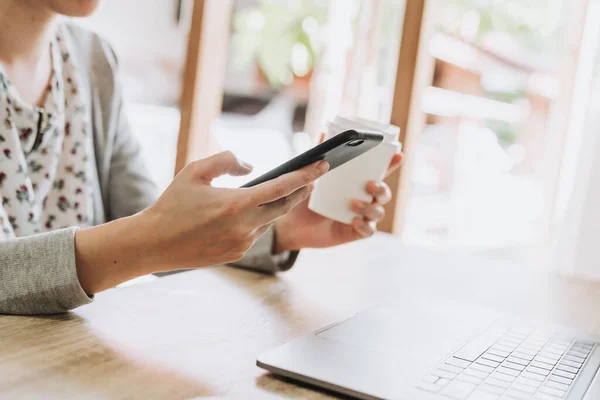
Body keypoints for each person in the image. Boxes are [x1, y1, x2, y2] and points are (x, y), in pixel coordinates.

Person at [0, 0, 402, 315]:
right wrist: (150, 238)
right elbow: (146, 235)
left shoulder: (91, 60)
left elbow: (143, 217)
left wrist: (277, 229)